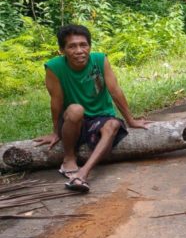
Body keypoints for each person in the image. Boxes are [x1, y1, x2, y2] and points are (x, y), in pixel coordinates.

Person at [34, 25, 148, 192]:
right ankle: (69, 158)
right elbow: (56, 101)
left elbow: (115, 91)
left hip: (100, 117)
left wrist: (131, 120)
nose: (79, 50)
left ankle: (82, 174)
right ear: (62, 50)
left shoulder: (100, 60)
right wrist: (55, 131)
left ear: (90, 46)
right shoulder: (54, 67)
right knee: (76, 109)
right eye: (72, 46)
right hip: (74, 121)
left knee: (113, 125)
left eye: (83, 45)